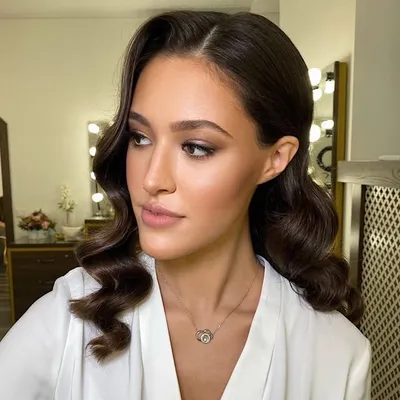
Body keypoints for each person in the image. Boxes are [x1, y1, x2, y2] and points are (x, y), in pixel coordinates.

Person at [0, 10, 370, 400]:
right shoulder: (72, 316)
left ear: (275, 159)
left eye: (195, 147)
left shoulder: (335, 353)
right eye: (140, 137)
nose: (152, 179)